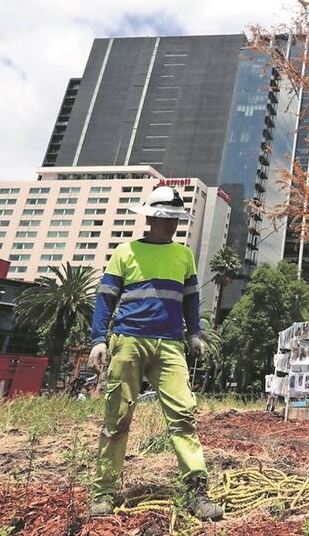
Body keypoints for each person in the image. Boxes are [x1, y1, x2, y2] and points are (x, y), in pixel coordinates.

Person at [86, 186, 223, 521]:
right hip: (128, 342)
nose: (171, 225)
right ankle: (104, 491)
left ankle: (195, 491)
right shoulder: (125, 252)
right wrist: (98, 339)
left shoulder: (183, 255)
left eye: (175, 219)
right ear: (149, 217)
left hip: (170, 345)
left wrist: (194, 334)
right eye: (165, 219)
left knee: (184, 416)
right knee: (116, 418)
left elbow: (191, 298)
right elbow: (106, 298)